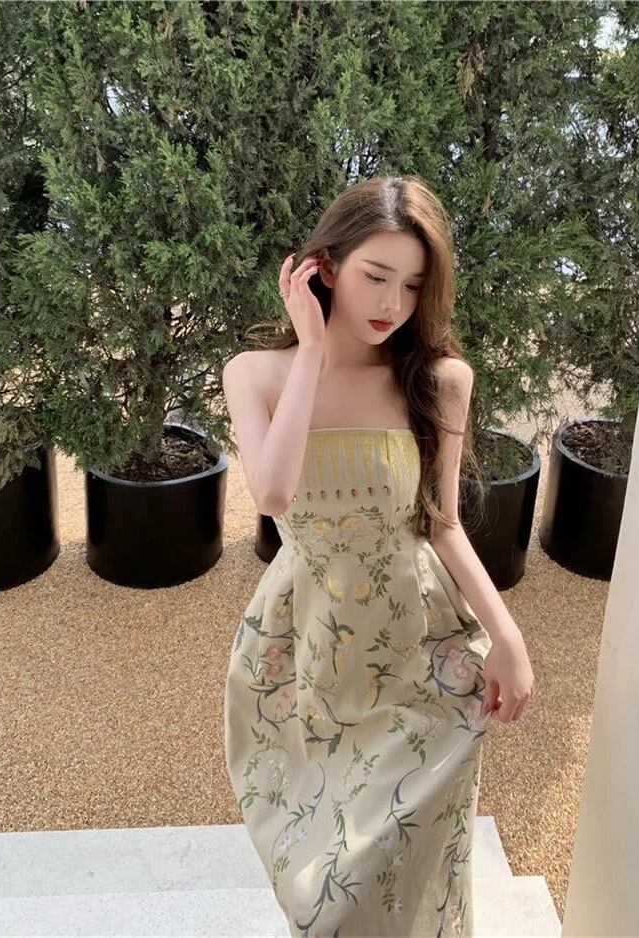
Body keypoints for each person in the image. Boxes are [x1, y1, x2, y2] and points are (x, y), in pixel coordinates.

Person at [222, 174, 535, 937]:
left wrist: (510, 638)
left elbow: (444, 525)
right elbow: (273, 491)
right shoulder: (255, 375)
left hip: (416, 651)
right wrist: (310, 351)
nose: (393, 303)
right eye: (376, 275)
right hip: (304, 652)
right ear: (325, 267)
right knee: (324, 888)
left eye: (414, 285)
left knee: (409, 866)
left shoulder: (440, 381)